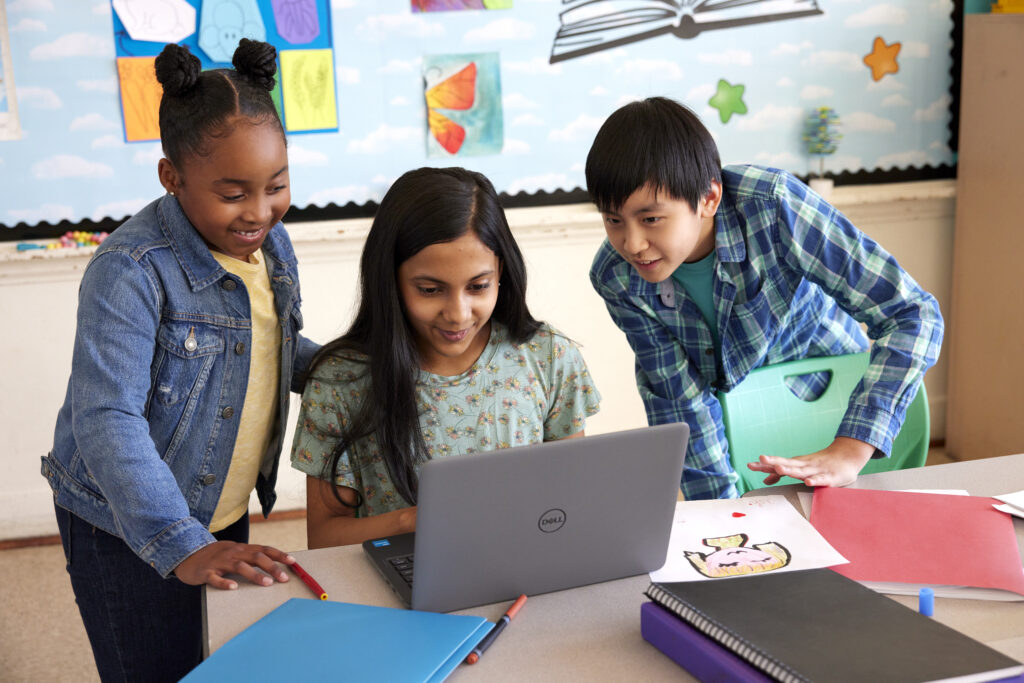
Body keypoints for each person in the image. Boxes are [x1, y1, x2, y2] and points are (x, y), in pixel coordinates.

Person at [39, 39, 319, 682]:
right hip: (125, 524)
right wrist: (179, 542)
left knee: (220, 663)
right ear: (172, 177)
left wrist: (358, 366)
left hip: (218, 501)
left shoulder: (269, 242)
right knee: (156, 670)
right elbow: (106, 416)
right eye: (233, 193)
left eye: (276, 186)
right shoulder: (129, 270)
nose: (259, 212)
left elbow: (270, 345)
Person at [586, 96, 943, 500]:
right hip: (739, 439)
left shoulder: (774, 206)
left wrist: (850, 448)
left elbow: (913, 314)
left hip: (837, 412)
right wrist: (721, 518)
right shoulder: (616, 278)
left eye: (651, 219)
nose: (632, 244)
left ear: (708, 199)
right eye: (613, 220)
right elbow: (680, 399)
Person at [290, 167, 601, 548]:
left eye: (478, 286)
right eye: (430, 289)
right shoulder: (341, 380)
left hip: (526, 569)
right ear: (391, 281)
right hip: (401, 584)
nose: (457, 313)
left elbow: (575, 501)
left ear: (501, 272)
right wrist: (415, 520)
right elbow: (324, 537)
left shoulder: (548, 355)